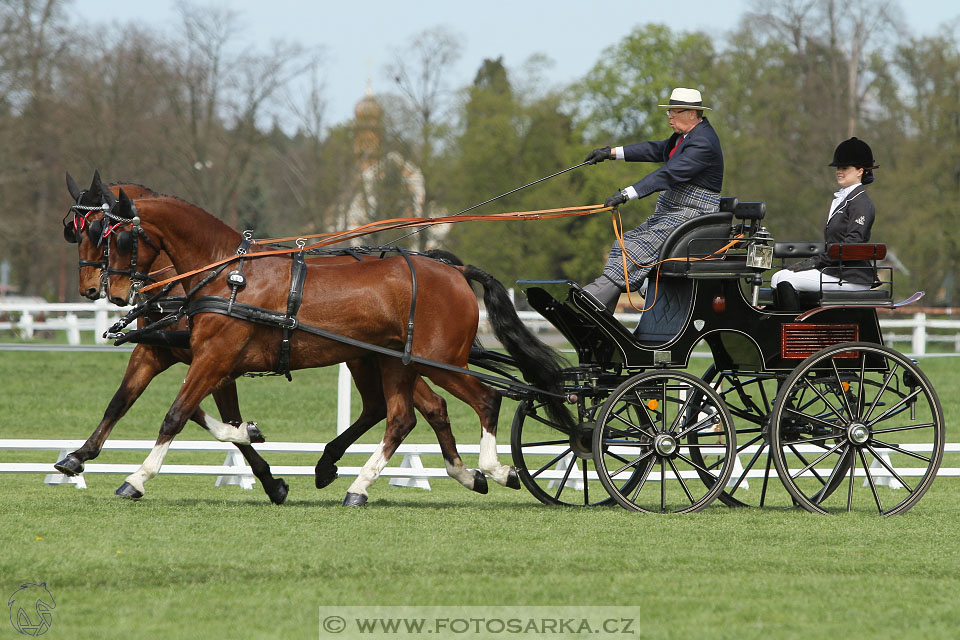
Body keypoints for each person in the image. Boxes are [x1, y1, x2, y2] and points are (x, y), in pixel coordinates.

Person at [580, 87, 724, 312]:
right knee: (624, 243)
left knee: (638, 248)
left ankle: (588, 300)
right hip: (673, 210)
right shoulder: (685, 136)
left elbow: (668, 173)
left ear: (693, 113)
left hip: (693, 212)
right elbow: (655, 149)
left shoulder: (703, 142)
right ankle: (603, 312)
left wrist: (626, 193)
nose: (670, 116)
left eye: (675, 111)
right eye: (669, 111)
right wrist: (611, 153)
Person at [770, 137, 878, 311]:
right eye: (838, 168)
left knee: (783, 279)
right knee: (778, 277)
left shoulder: (861, 203)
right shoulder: (844, 199)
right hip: (836, 271)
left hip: (851, 276)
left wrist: (816, 261)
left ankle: (796, 331)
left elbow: (852, 244)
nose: (839, 172)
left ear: (860, 171)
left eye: (844, 168)